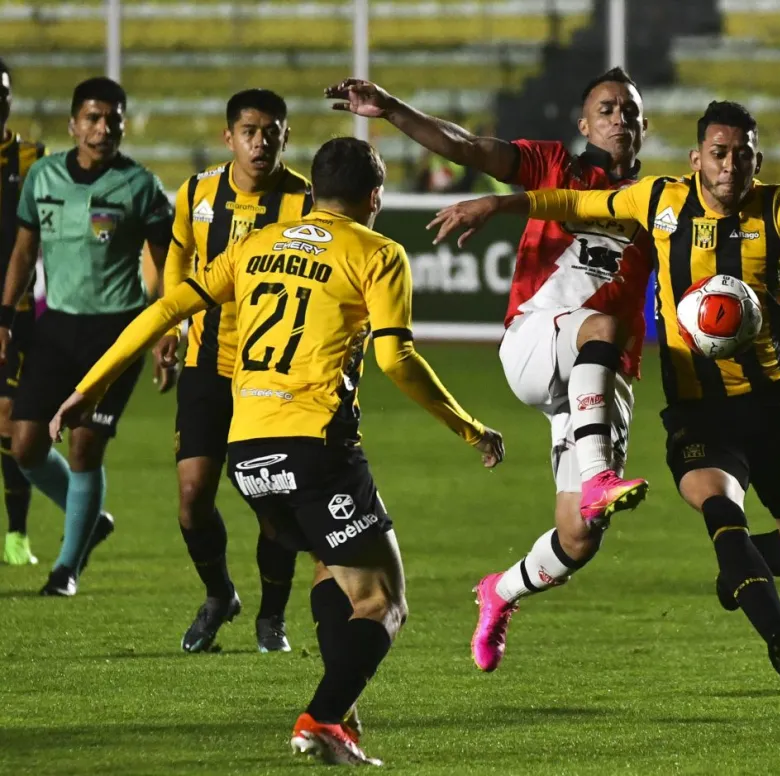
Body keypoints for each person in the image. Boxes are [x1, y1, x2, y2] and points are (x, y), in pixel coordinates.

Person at [428, 100, 780, 701]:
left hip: (772, 405)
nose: (729, 165)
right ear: (696, 159)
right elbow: (574, 203)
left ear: (756, 159)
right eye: (718, 153)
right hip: (696, 411)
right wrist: (497, 203)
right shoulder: (659, 200)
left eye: (741, 154)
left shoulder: (779, 209)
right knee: (721, 513)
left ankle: (742, 571)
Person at [50, 136, 505, 766]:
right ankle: (322, 718)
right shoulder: (378, 253)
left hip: (248, 449)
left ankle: (339, 714)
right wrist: (469, 427)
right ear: (376, 198)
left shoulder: (254, 246)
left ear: (313, 191)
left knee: (330, 569)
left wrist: (86, 387)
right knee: (384, 601)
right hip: (317, 445)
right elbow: (395, 356)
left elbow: (165, 311)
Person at [327, 67, 653, 672]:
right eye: (607, 108)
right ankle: (600, 476)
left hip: (602, 378)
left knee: (580, 538)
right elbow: (469, 148)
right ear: (585, 123)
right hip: (536, 339)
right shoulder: (556, 165)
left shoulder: (656, 202)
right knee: (599, 324)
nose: (619, 119)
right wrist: (393, 108)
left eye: (630, 112)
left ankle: (499, 593)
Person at [153, 89, 312, 654]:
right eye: (250, 130)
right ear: (229, 137)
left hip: (270, 376)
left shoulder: (304, 201)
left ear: (286, 136)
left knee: (272, 502)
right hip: (206, 363)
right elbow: (178, 256)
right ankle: (220, 595)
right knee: (193, 495)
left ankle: (272, 617)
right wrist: (172, 328)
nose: (261, 140)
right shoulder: (196, 192)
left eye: (272, 130)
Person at [0, 76, 173, 596]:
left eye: (113, 120)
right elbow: (24, 253)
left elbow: (169, 266)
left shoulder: (141, 186)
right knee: (25, 446)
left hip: (116, 333)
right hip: (55, 328)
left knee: (84, 446)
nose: (103, 129)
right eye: (93, 119)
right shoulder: (44, 177)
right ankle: (89, 519)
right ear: (74, 124)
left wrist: (169, 328)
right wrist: (5, 318)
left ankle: (66, 567)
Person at [0, 58, 45, 566]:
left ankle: (16, 533)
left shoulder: (33, 159)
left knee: (10, 419)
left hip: (12, 312)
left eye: (3, 90)